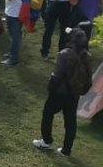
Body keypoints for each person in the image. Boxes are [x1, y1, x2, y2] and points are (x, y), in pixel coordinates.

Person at [33, 26, 94, 157]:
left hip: (59, 92)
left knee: (48, 113)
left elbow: (57, 76)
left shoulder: (65, 54)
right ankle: (66, 150)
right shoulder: (87, 56)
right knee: (70, 120)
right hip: (74, 93)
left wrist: (51, 88)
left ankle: (46, 141)